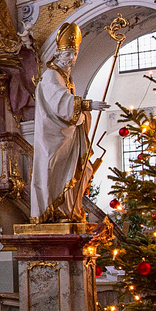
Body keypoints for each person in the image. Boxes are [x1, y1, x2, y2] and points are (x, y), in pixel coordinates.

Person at [29, 22, 107, 222]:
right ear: (58, 54)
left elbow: (68, 105)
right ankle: (57, 212)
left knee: (82, 170)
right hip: (53, 138)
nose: (72, 59)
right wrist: (87, 105)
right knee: (55, 174)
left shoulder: (66, 77)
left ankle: (69, 210)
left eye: (75, 54)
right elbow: (59, 101)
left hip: (67, 136)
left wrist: (81, 115)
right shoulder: (51, 75)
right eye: (69, 54)